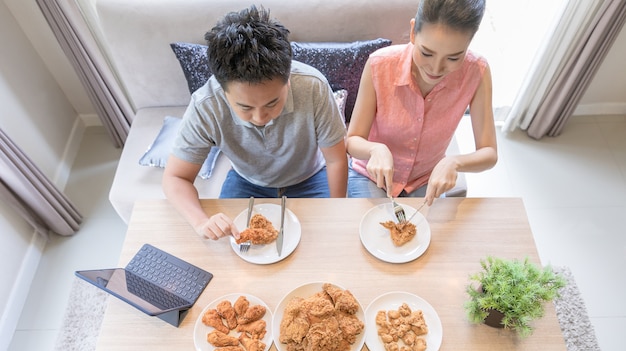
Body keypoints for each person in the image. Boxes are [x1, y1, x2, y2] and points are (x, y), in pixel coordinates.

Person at [162, 5, 348, 241]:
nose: (260, 118)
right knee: (231, 252)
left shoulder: (313, 86)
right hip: (247, 181)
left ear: (288, 81)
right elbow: (175, 178)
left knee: (329, 242)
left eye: (272, 103)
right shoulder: (206, 104)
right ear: (224, 92)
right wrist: (201, 222)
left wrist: (339, 209)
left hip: (311, 177)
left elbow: (335, 159)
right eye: (245, 107)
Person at [346, 0, 497, 205]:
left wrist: (454, 162)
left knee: (430, 236)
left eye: (453, 58)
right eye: (427, 53)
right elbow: (353, 139)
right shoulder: (379, 65)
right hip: (372, 176)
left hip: (426, 179)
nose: (435, 69)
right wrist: (375, 150)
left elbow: (489, 153)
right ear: (412, 32)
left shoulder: (477, 72)